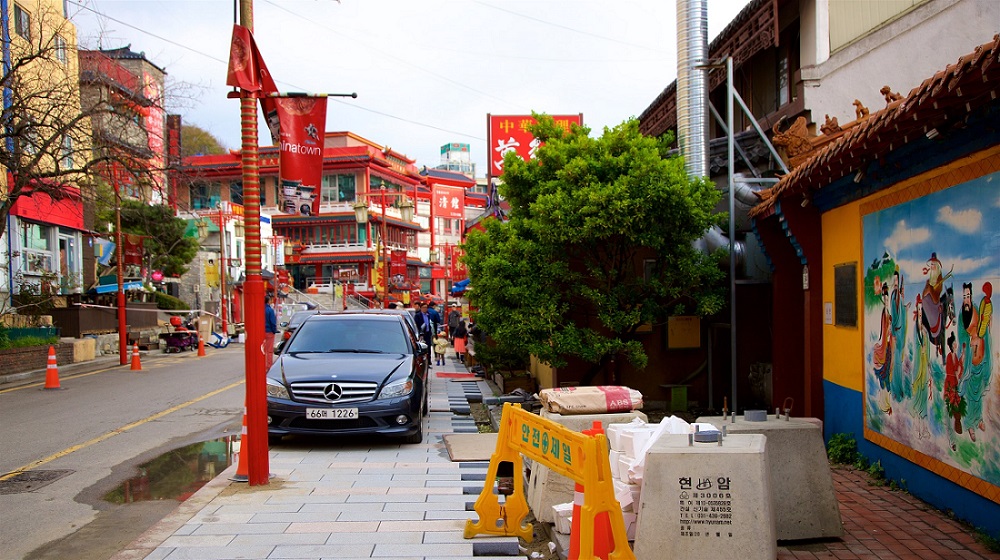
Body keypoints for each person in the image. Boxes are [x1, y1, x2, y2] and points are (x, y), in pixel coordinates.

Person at [264, 294, 278, 370]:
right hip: (269, 331)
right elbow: (272, 322)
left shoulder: (259, 309)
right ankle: (268, 365)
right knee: (269, 350)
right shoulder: (270, 310)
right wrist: (274, 330)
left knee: (262, 349)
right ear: (268, 301)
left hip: (260, 332)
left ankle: (261, 364)